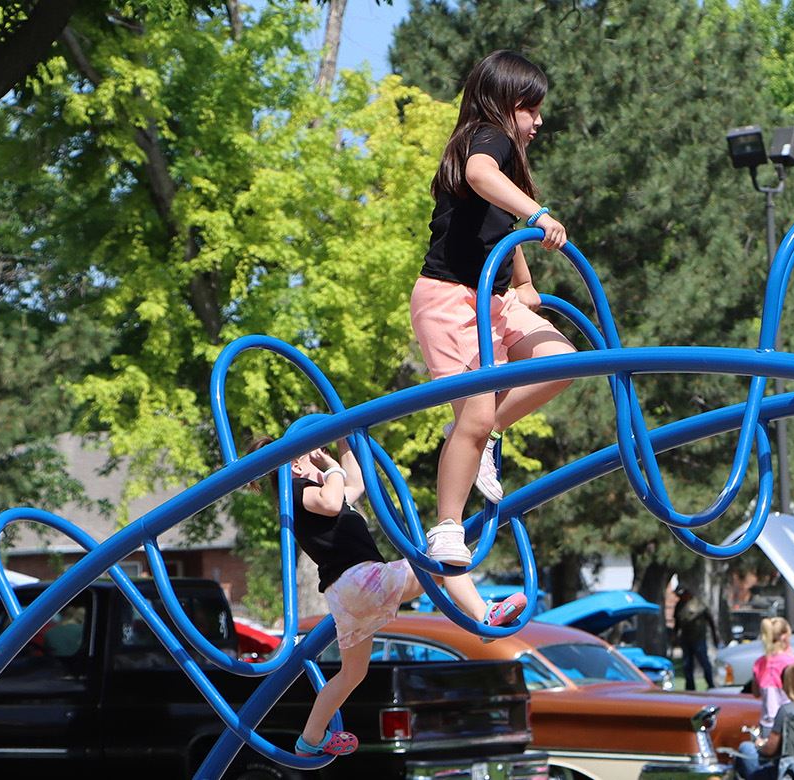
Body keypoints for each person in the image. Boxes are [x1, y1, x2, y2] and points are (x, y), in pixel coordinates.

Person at [412, 49, 578, 566]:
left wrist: (524, 282)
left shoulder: (504, 149)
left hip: (493, 296)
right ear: (505, 104)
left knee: (561, 361)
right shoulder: (488, 139)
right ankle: (446, 527)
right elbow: (481, 174)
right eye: (531, 110)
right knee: (476, 414)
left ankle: (479, 434)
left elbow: (500, 230)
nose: (538, 122)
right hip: (451, 299)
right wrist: (539, 211)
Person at [271, 428, 529, 758]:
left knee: (353, 673)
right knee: (443, 556)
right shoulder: (296, 490)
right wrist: (330, 467)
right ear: (296, 467)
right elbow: (333, 500)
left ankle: (310, 738)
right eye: (310, 460)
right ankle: (483, 615)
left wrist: (343, 436)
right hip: (360, 581)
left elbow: (355, 484)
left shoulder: (312, 491)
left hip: (346, 596)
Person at [753, 617, 794, 727]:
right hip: (790, 723)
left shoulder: (759, 663)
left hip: (767, 724)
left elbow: (756, 693)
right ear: (784, 637)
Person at [674, 586, 717, 691]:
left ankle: (710, 683)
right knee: (687, 665)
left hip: (699, 639)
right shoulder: (679, 606)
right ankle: (690, 686)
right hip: (686, 639)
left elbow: (710, 620)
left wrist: (715, 635)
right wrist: (674, 636)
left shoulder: (699, 604)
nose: (680, 597)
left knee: (704, 662)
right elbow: (677, 622)